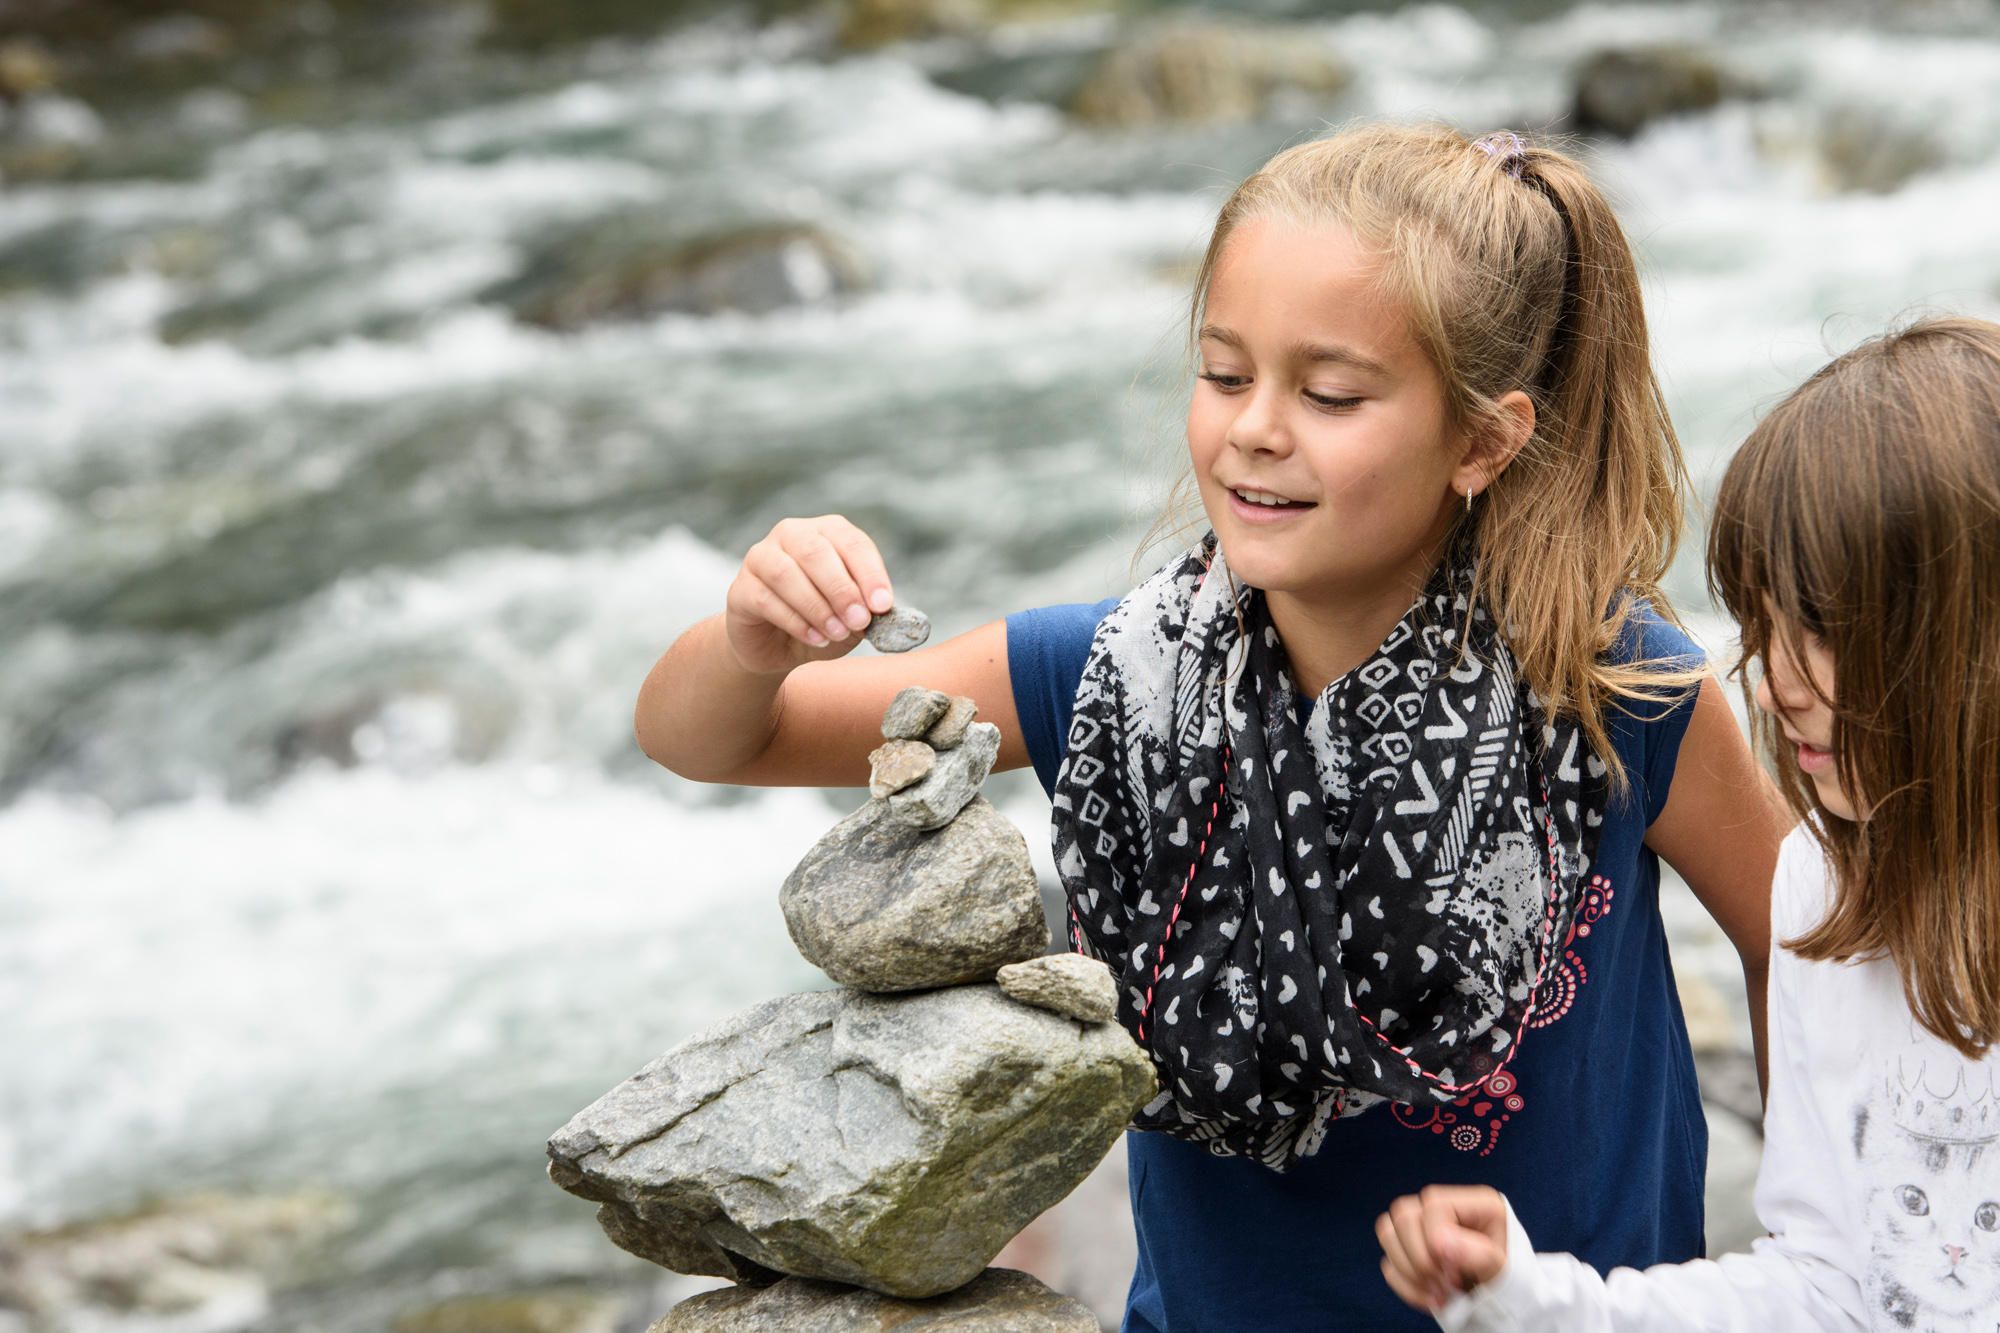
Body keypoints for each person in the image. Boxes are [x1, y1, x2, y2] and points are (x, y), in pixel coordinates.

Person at [638, 123, 1785, 1332]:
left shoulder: (1610, 689)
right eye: (1224, 375)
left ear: (1481, 440)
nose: (1254, 429)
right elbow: (713, 739)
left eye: (1328, 394)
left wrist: (1813, 1236)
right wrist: (754, 636)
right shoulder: (1110, 675)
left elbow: (1794, 938)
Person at [1375, 315, 2000, 1332]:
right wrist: (1535, 1299)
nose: (1774, 682)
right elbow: (1823, 1286)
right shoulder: (1817, 889)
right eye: (1761, 625)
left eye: (1822, 628)